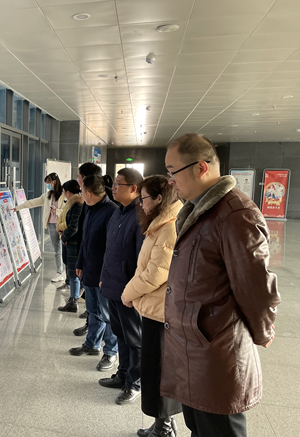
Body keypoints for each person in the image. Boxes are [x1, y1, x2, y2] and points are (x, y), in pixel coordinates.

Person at [162, 133, 280, 437]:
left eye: (173, 171)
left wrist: (263, 331)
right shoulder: (198, 209)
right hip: (194, 349)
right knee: (199, 428)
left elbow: (256, 289)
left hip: (218, 353)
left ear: (201, 168)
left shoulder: (235, 214)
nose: (170, 181)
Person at [121, 175, 183, 437]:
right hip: (155, 309)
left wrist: (128, 293)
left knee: (158, 371)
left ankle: (164, 428)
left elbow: (156, 273)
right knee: (156, 370)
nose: (141, 204)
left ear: (159, 199)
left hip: (160, 313)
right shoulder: (160, 223)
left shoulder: (168, 227)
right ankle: (164, 423)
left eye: (144, 198)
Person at [98, 168, 145, 405]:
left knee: (134, 339)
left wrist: (133, 291)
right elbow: (110, 250)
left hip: (129, 291)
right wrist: (103, 277)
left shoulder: (140, 216)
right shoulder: (118, 212)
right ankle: (123, 374)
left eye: (118, 184)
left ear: (134, 189)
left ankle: (134, 383)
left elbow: (141, 260)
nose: (113, 188)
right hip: (112, 285)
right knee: (121, 334)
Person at [69, 175, 119, 372]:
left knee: (108, 315)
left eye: (82, 191)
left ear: (88, 193)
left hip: (103, 274)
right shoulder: (90, 208)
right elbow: (85, 238)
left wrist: (105, 275)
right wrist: (80, 262)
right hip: (89, 269)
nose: (81, 194)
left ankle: (111, 352)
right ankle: (92, 344)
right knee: (93, 311)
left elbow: (112, 248)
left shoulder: (111, 211)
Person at [15, 173, 65, 282]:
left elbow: (67, 211)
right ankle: (60, 272)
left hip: (63, 225)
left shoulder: (64, 194)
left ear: (54, 182)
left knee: (66, 250)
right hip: (52, 225)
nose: (47, 185)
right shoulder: (47, 195)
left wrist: (56, 211)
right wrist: (18, 207)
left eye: (48, 183)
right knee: (57, 250)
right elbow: (33, 202)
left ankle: (70, 275)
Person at [73, 162, 104, 337]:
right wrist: (80, 261)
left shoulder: (108, 208)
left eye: (79, 177)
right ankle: (92, 337)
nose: (78, 180)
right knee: (92, 305)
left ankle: (100, 342)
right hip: (88, 261)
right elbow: (85, 235)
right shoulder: (90, 204)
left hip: (100, 267)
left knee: (101, 309)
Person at [56, 180, 84, 312]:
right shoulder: (73, 203)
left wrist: (64, 236)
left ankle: (73, 301)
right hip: (71, 242)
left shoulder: (77, 204)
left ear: (68, 192)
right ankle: (73, 299)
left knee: (74, 274)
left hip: (74, 244)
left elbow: (73, 226)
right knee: (73, 273)